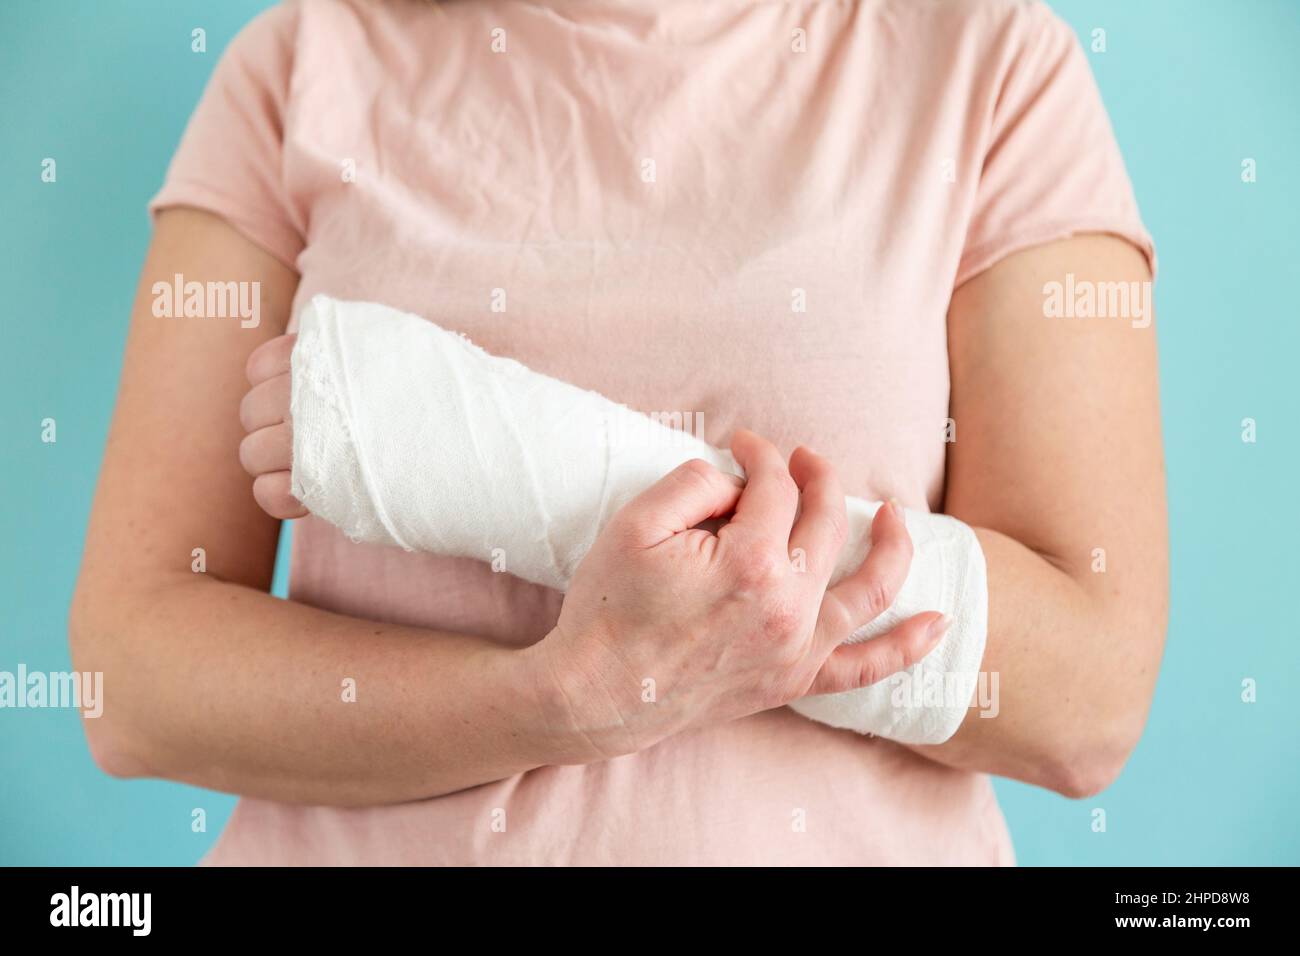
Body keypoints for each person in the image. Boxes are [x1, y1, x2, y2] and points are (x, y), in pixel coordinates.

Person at [71, 0, 1167, 865]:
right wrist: (560, 701)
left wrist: (753, 608)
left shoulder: (990, 65)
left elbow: (1091, 700)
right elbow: (131, 672)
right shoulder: (300, 61)